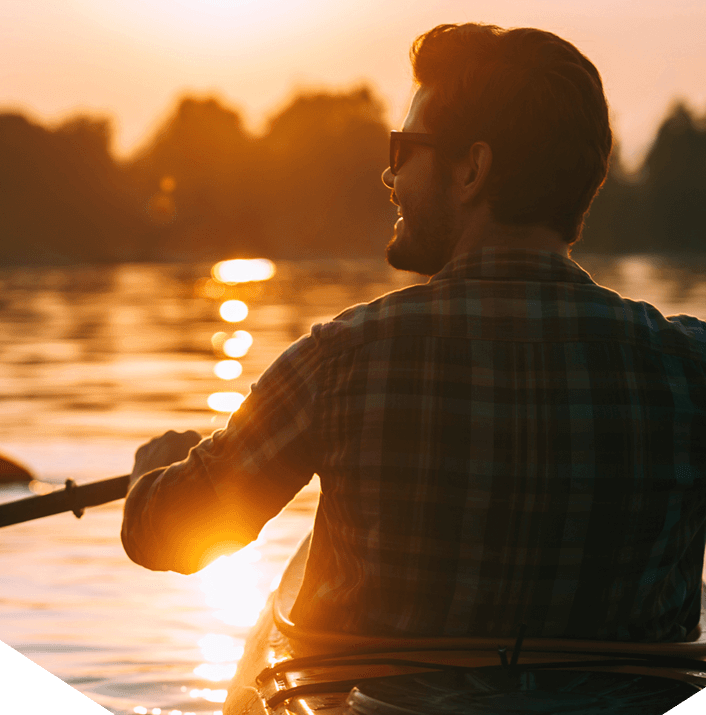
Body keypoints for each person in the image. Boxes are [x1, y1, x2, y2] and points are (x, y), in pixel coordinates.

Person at [120, 23, 705, 642]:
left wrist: (149, 479)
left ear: (472, 169)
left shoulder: (341, 361)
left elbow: (166, 536)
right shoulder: (691, 369)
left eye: (403, 150)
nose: (389, 176)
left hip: (384, 701)